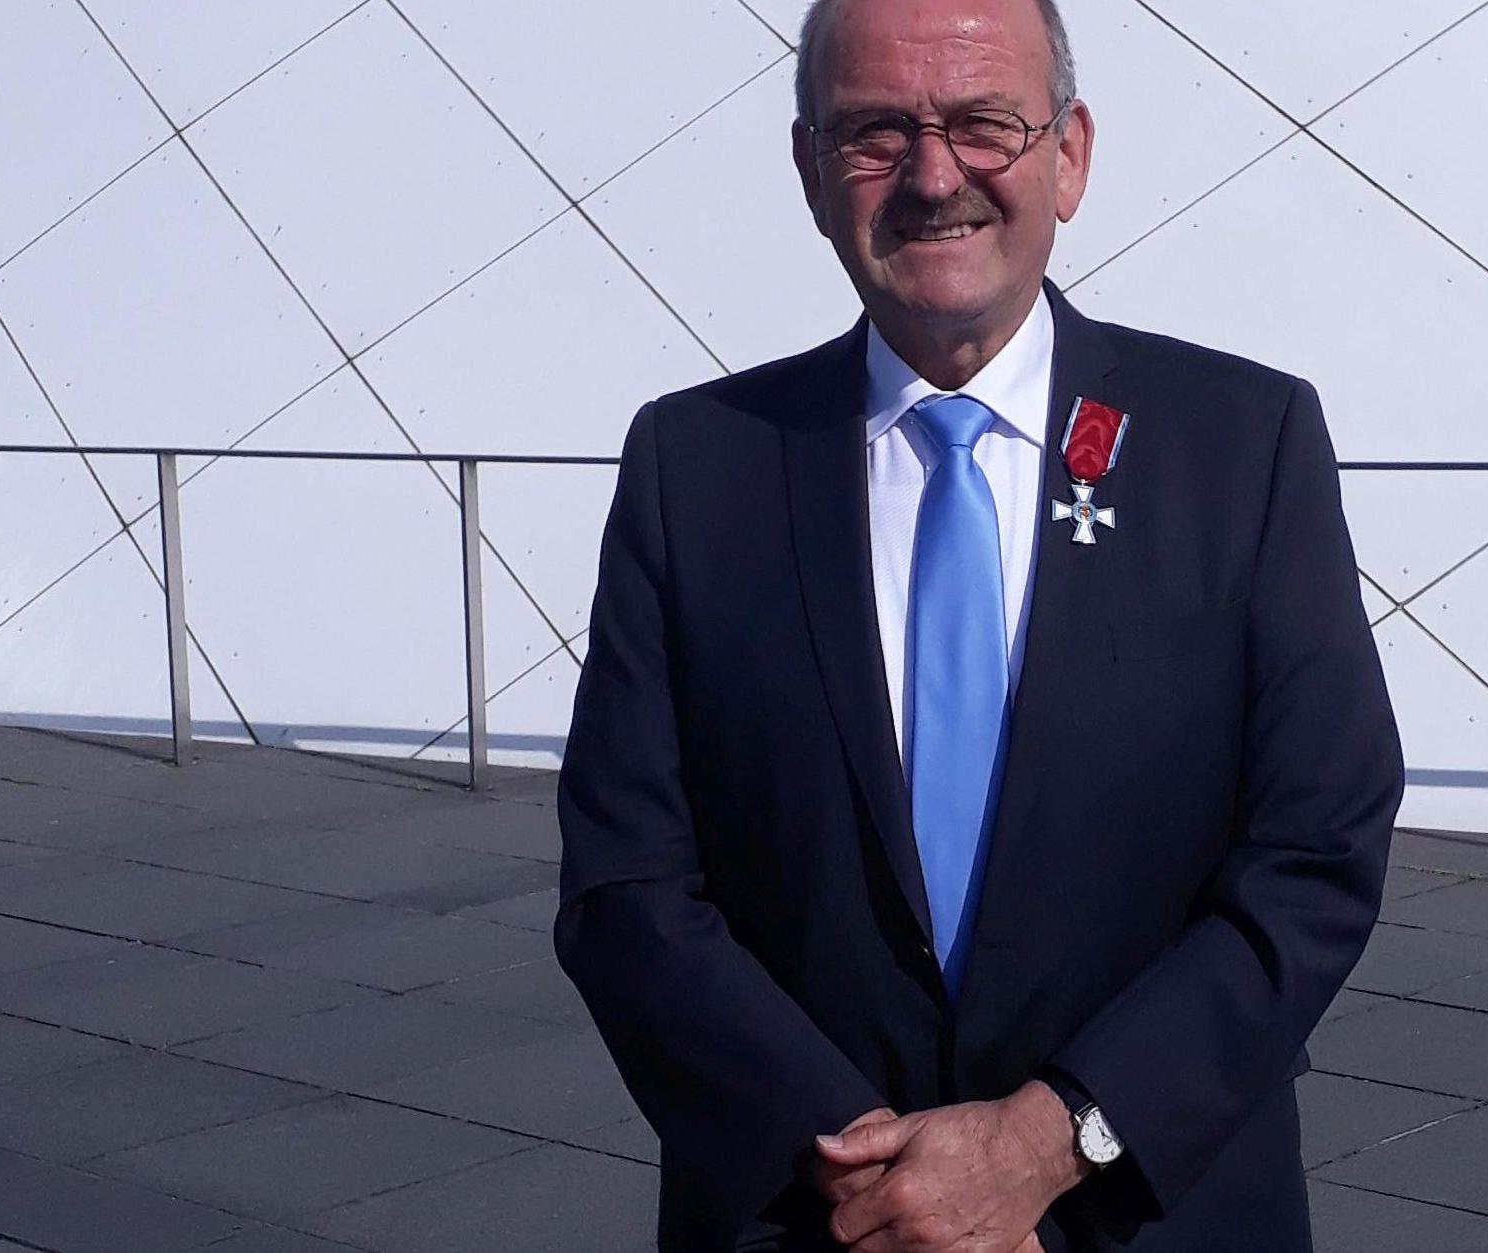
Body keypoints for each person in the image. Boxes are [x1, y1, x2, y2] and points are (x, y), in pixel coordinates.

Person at [552, 0, 1405, 1247]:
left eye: (983, 123)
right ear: (807, 169)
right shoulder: (698, 464)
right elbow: (625, 884)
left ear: (1069, 155)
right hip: (810, 1219)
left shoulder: (1243, 446)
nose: (933, 174)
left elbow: (1317, 850)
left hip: (1140, 1209)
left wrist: (1042, 1142)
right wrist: (873, 1178)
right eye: (874, 132)